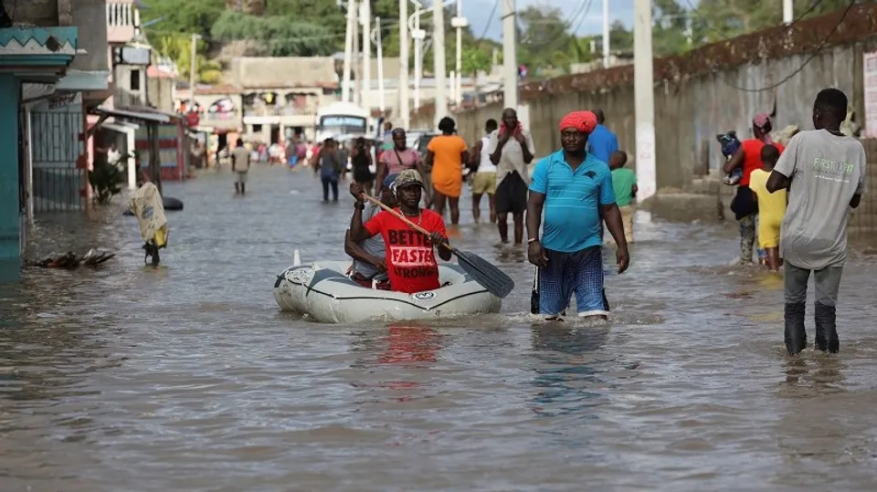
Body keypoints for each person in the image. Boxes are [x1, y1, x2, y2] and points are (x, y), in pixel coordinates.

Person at [765, 88, 866, 356]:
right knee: (826, 313)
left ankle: (795, 369)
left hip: (798, 239)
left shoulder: (802, 141)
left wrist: (800, 177)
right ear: (844, 116)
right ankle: (828, 375)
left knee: (794, 309)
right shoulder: (856, 149)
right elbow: (854, 200)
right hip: (832, 244)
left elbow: (772, 183)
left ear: (816, 115)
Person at [526, 111, 630, 319]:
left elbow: (609, 209)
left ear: (586, 136)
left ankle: (593, 352)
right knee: (549, 321)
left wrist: (622, 245)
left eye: (577, 134)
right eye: (566, 134)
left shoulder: (600, 169)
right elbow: (534, 205)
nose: (571, 139)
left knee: (595, 319)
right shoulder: (546, 166)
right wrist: (532, 241)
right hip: (551, 253)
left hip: (588, 249)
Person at [348, 169, 452, 294]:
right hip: (400, 295)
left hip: (431, 292)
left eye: (417, 189)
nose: (413, 194)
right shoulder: (384, 218)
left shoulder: (434, 218)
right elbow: (355, 236)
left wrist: (440, 244)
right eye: (407, 189)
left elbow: (446, 256)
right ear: (398, 194)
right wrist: (359, 203)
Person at [724, 113, 785, 265]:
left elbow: (728, 168)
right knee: (765, 238)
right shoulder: (778, 148)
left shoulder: (747, 145)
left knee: (747, 236)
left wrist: (731, 161)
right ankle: (767, 269)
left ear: (756, 129)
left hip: (747, 197)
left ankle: (746, 269)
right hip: (771, 199)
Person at [489, 108, 536, 243]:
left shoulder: (524, 134)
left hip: (519, 178)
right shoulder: (496, 135)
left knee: (518, 216)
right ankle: (504, 241)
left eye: (513, 117)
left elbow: (528, 159)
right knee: (501, 216)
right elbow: (494, 160)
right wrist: (501, 143)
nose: (511, 120)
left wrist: (522, 144)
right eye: (507, 118)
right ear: (503, 120)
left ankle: (517, 247)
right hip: (502, 178)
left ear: (517, 119)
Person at [344, 173, 399, 290]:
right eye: (396, 191)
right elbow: (349, 244)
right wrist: (373, 260)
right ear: (384, 191)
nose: (400, 197)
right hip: (367, 276)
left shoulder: (406, 213)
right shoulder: (369, 209)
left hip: (395, 277)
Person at [747, 145, 785, 272]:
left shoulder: (755, 175)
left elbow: (753, 198)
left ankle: (774, 277)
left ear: (761, 158)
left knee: (771, 249)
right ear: (777, 158)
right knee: (782, 250)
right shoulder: (782, 174)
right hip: (784, 218)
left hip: (766, 219)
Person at [426, 117, 468, 225]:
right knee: (454, 207)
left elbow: (428, 160)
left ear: (441, 128)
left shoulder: (434, 141)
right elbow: (465, 159)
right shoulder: (460, 141)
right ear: (453, 127)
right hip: (455, 176)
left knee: (438, 207)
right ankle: (455, 231)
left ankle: (437, 230)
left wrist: (437, 163)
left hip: (439, 176)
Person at [376, 128, 431, 202]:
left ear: (405, 138)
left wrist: (427, 193)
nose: (401, 141)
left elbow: (422, 174)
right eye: (398, 139)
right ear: (394, 139)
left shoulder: (413, 153)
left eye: (402, 138)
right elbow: (380, 175)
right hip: (392, 187)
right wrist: (376, 195)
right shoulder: (386, 154)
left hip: (408, 188)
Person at [470, 118, 499, 223]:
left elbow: (476, 160)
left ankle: (477, 223)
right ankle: (492, 224)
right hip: (494, 173)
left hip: (481, 173)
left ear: (486, 128)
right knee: (493, 205)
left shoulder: (480, 142)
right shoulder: (499, 142)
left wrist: (472, 170)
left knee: (475, 202)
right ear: (496, 129)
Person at [608, 151, 637, 244]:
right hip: (626, 206)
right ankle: (628, 239)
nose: (609, 161)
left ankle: (615, 241)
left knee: (615, 226)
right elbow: (635, 188)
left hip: (613, 207)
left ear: (616, 161)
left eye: (611, 159)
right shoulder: (630, 173)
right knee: (627, 225)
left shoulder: (610, 174)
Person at [314, 138, 345, 202]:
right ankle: (335, 199)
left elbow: (316, 160)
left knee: (325, 189)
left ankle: (326, 199)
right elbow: (336, 161)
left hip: (324, 171)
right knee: (334, 188)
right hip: (332, 171)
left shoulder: (322, 150)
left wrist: (316, 169)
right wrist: (338, 170)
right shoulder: (332, 151)